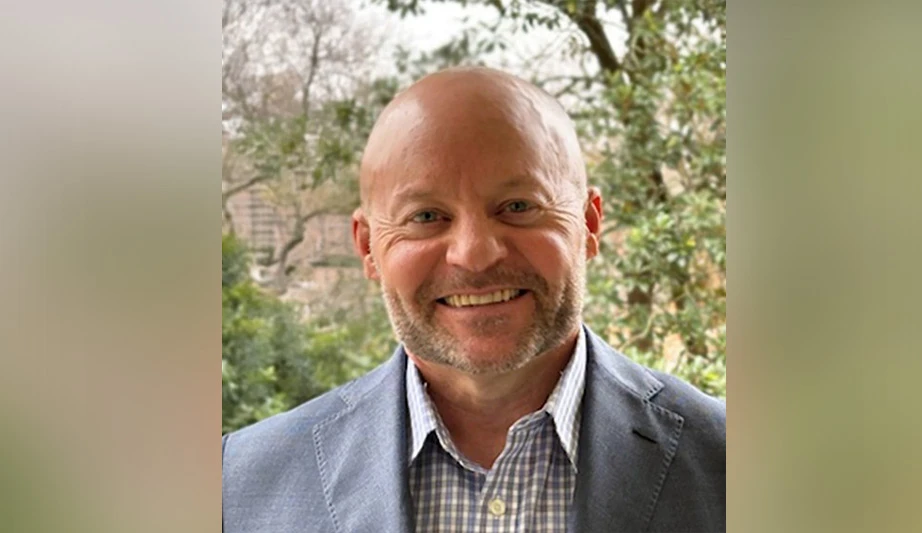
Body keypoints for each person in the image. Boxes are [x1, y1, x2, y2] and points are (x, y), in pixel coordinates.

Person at [222, 67, 725, 533]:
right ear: (368, 246)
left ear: (589, 225)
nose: (475, 255)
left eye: (518, 207)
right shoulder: (235, 489)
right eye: (425, 216)